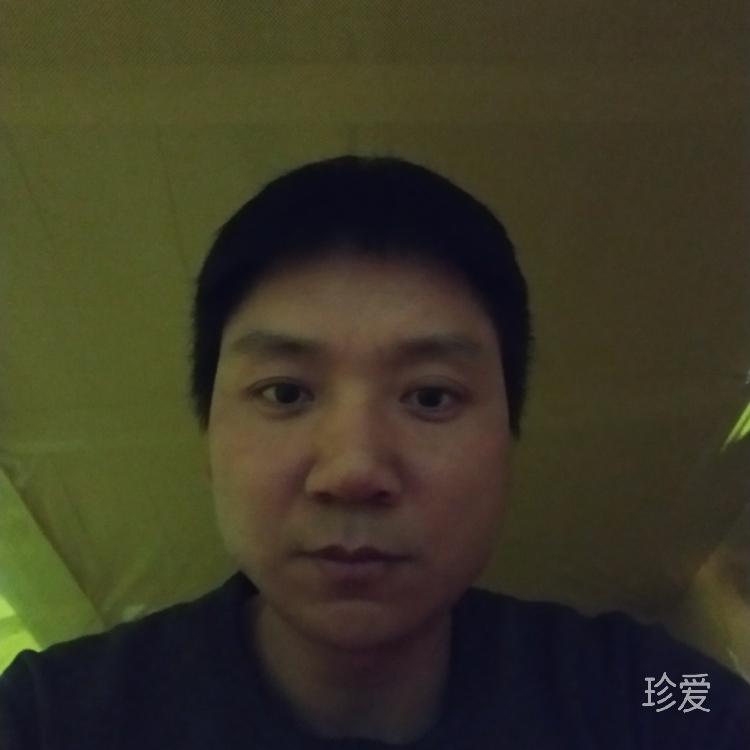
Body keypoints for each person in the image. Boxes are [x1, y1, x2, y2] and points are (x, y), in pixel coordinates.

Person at [1, 155, 748, 749]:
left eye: (431, 397)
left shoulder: (640, 695)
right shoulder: (52, 719)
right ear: (208, 440)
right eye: (285, 392)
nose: (353, 470)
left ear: (508, 445)